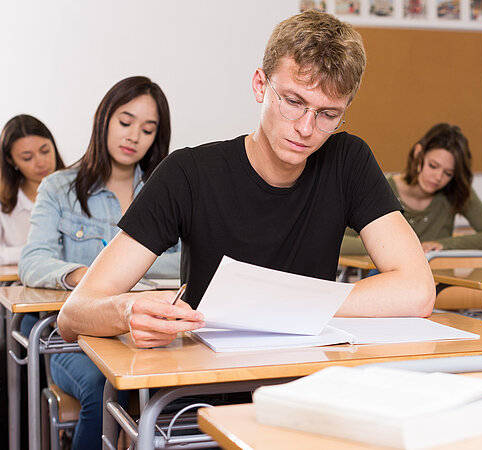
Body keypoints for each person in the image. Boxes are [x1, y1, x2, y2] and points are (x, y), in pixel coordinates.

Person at [57, 10, 435, 349]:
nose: (306, 128)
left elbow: (417, 291)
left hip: (307, 378)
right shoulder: (188, 174)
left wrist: (287, 304)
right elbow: (73, 315)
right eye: (292, 101)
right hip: (204, 387)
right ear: (259, 85)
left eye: (327, 114)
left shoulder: (347, 160)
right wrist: (126, 310)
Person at [20, 76, 180, 450]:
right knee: (102, 388)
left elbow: (187, 262)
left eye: (147, 129)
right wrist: (91, 278)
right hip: (71, 337)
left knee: (176, 390)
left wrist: (123, 273)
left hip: (146, 334)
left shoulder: (164, 190)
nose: (134, 136)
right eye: (125, 122)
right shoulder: (59, 187)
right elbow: (33, 261)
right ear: (104, 119)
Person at [340, 123, 482, 254]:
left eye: (448, 173)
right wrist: (390, 249)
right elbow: (337, 240)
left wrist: (444, 245)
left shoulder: (455, 190)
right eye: (433, 166)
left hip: (438, 281)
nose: (438, 177)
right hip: (389, 280)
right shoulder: (382, 189)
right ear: (418, 154)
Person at [0, 115, 65, 265]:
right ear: (11, 160)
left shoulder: (79, 190)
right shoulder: (5, 200)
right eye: (27, 158)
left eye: (45, 151)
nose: (41, 163)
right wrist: (38, 252)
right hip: (15, 284)